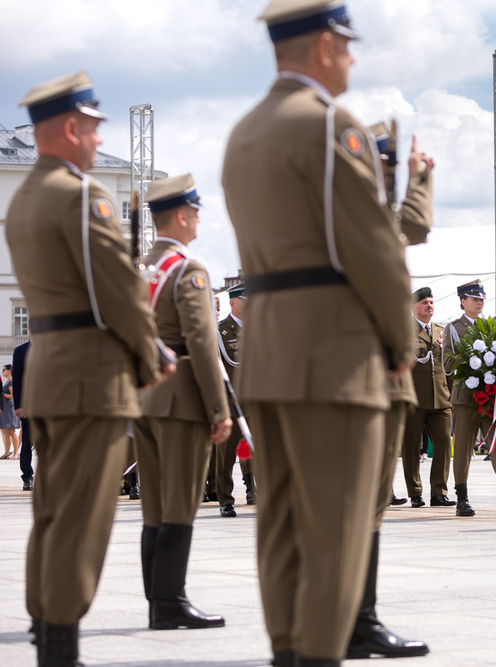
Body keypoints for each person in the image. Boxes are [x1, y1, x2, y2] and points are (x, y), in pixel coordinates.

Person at [222, 2, 416, 664]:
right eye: (348, 45)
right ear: (326, 45)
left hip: (270, 349)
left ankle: (287, 650)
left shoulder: (244, 131)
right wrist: (399, 342)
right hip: (332, 352)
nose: (353, 59)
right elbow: (374, 250)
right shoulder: (332, 126)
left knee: (279, 525)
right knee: (335, 526)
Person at [6, 71, 171, 665]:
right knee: (84, 517)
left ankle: (48, 628)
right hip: (89, 376)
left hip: (51, 371)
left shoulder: (26, 196)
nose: (100, 140)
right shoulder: (82, 195)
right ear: (71, 127)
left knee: (54, 512)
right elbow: (121, 289)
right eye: (95, 128)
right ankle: (60, 646)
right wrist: (151, 352)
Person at [347, 131, 435, 660]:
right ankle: (357, 622)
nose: (389, 174)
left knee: (365, 505)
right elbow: (413, 227)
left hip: (362, 375)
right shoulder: (355, 216)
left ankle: (354, 620)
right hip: (369, 375)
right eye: (386, 164)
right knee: (363, 505)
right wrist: (421, 178)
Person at [135, 174, 233, 629]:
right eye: (195, 212)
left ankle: (158, 602)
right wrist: (220, 409)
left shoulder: (143, 270)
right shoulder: (189, 270)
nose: (198, 220)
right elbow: (202, 340)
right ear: (180, 216)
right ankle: (170, 601)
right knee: (180, 504)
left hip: (147, 399)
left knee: (154, 505)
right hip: (182, 399)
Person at [443, 279, 496, 517]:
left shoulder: (489, 327)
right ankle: (462, 498)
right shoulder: (453, 328)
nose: (479, 302)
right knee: (462, 447)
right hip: (464, 396)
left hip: (490, 396)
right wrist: (472, 361)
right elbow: (446, 364)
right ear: (463, 301)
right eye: (474, 299)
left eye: (482, 299)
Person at [401, 287, 456, 508]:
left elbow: (450, 368)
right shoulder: (405, 331)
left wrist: (452, 396)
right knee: (412, 447)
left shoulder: (442, 332)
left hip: (441, 399)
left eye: (431, 302)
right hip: (414, 399)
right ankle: (415, 492)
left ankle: (439, 493)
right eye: (424, 302)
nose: (429, 306)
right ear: (413, 307)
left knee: (443, 445)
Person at [215, 283, 255, 517]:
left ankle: (253, 490)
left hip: (254, 401)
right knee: (225, 456)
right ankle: (225, 500)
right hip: (231, 403)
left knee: (253, 451)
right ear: (232, 302)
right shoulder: (221, 332)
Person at [12, 339, 33, 491]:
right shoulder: (20, 351)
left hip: (52, 404)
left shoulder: (54, 344)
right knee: (27, 441)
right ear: (29, 328)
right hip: (30, 405)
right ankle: (27, 476)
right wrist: (18, 405)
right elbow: (17, 380)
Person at [0, 365, 19, 459]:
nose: (2, 371)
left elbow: (13, 396)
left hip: (10, 409)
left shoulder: (11, 382)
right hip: (5, 409)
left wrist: (3, 394)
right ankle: (7, 452)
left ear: (9, 370)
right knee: (6, 432)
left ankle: (16, 453)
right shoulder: (6, 382)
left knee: (12, 431)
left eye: (4, 370)